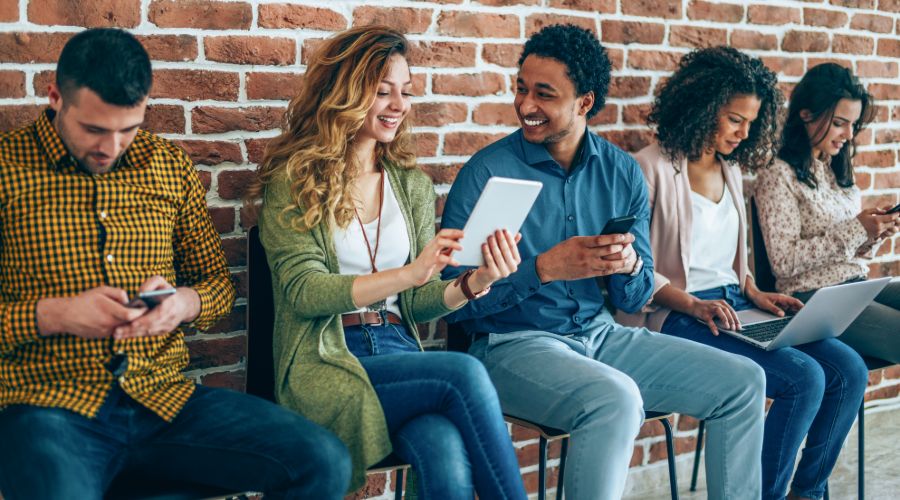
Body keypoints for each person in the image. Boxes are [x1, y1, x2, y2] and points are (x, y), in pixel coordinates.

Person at [0, 28, 351, 500]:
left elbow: (217, 286)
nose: (111, 146)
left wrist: (182, 303)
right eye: (94, 130)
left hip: (163, 398)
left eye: (128, 128)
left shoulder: (167, 167)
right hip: (48, 404)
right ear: (55, 97)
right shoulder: (7, 170)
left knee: (323, 460)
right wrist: (56, 314)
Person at [440, 24, 765, 500]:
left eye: (544, 94)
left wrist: (630, 265)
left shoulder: (621, 172)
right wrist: (543, 269)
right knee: (614, 398)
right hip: (511, 346)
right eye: (521, 88)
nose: (526, 106)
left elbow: (635, 297)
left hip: (602, 336)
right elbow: (452, 302)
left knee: (743, 382)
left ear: (584, 103)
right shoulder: (487, 173)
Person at [251, 25, 527, 499]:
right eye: (382, 92)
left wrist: (476, 280)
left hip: (398, 348)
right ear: (345, 94)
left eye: (405, 92)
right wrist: (407, 273)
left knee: (441, 447)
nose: (398, 104)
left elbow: (416, 302)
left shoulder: (411, 185)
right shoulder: (294, 181)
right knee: (462, 374)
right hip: (328, 358)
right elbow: (303, 291)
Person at [620, 47, 869, 500]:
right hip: (679, 314)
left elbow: (732, 261)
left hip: (735, 306)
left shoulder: (730, 169)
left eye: (751, 122)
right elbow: (636, 270)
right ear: (703, 107)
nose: (744, 132)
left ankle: (807, 492)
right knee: (804, 379)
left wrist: (755, 292)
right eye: (735, 119)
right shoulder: (650, 168)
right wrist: (693, 303)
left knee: (849, 369)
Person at [755, 62, 900, 367]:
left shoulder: (836, 169)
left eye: (853, 124)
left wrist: (872, 234)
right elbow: (783, 263)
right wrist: (856, 229)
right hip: (812, 298)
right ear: (806, 114)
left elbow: (851, 253)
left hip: (857, 285)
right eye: (839, 123)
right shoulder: (778, 175)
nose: (848, 134)